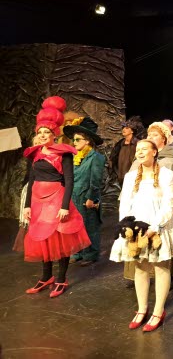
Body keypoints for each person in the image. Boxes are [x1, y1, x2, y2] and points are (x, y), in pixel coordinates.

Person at [110, 139, 173, 332]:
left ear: (154, 152)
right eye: (138, 149)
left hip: (159, 225)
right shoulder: (131, 176)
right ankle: (142, 309)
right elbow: (125, 203)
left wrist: (155, 226)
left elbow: (169, 204)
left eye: (144, 149)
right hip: (136, 227)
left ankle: (158, 311)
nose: (139, 152)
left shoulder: (166, 174)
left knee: (161, 267)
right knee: (140, 267)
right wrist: (126, 226)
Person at [22, 96, 91, 298]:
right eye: (40, 132)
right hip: (38, 201)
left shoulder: (64, 153)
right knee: (43, 239)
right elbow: (31, 180)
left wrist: (64, 206)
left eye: (47, 132)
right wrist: (27, 205)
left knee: (61, 239)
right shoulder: (35, 153)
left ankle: (61, 278)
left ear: (55, 134)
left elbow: (69, 181)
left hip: (56, 200)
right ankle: (46, 277)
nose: (43, 135)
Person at [63, 117, 106, 266]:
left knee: (90, 226)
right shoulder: (75, 156)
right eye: (73, 140)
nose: (74, 142)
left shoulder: (96, 157)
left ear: (87, 141)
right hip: (74, 196)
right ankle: (78, 252)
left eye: (77, 140)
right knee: (75, 226)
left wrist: (91, 198)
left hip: (87, 196)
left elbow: (95, 181)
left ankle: (91, 254)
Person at [110, 116, 144, 186]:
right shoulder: (120, 144)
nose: (124, 129)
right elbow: (113, 159)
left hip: (133, 177)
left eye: (127, 128)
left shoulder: (138, 144)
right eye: (123, 128)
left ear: (132, 131)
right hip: (120, 177)